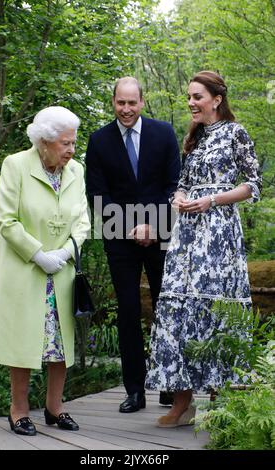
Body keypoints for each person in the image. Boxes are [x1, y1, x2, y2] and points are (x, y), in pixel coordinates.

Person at [145, 70, 262, 427]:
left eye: (197, 97)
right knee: (180, 306)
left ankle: (219, 401)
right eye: (189, 97)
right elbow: (181, 183)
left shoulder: (235, 133)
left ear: (216, 99)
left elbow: (253, 185)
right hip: (187, 235)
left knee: (216, 308)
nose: (191, 103)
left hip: (220, 234)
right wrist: (180, 197)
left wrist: (212, 200)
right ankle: (182, 403)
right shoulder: (193, 138)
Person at [0, 106, 91, 436]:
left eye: (73, 142)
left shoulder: (76, 170)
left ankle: (54, 408)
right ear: (44, 142)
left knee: (60, 344)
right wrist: (38, 254)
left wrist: (66, 251)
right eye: (65, 143)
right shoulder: (16, 165)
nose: (71, 149)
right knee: (24, 342)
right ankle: (18, 411)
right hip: (26, 271)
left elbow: (84, 221)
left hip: (61, 271)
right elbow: (6, 219)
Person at [86, 77, 181, 413]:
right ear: (113, 102)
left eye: (132, 103)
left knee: (166, 309)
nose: (126, 110)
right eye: (120, 103)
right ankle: (135, 391)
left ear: (142, 102)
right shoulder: (98, 141)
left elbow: (175, 185)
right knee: (127, 312)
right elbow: (98, 195)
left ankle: (170, 385)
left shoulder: (164, 133)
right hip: (120, 239)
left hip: (162, 235)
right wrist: (131, 228)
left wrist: (154, 226)